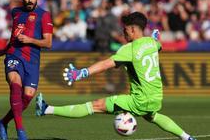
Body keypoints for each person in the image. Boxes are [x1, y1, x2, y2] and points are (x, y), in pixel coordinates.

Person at [36, 12, 196, 140]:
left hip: (139, 101)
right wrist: (153, 39)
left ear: (133, 29)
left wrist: (83, 72)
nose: (123, 32)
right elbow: (157, 45)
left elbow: (106, 64)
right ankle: (187, 137)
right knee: (152, 116)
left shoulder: (129, 49)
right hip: (156, 98)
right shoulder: (152, 43)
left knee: (94, 106)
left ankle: (46, 109)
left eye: (125, 29)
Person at [0, 0, 53, 140]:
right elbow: (13, 37)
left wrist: (29, 40)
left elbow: (48, 43)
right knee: (15, 85)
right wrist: (4, 51)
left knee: (26, 98)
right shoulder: (16, 12)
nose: (30, 0)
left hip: (32, 61)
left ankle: (3, 122)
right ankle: (21, 132)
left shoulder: (44, 15)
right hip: (14, 55)